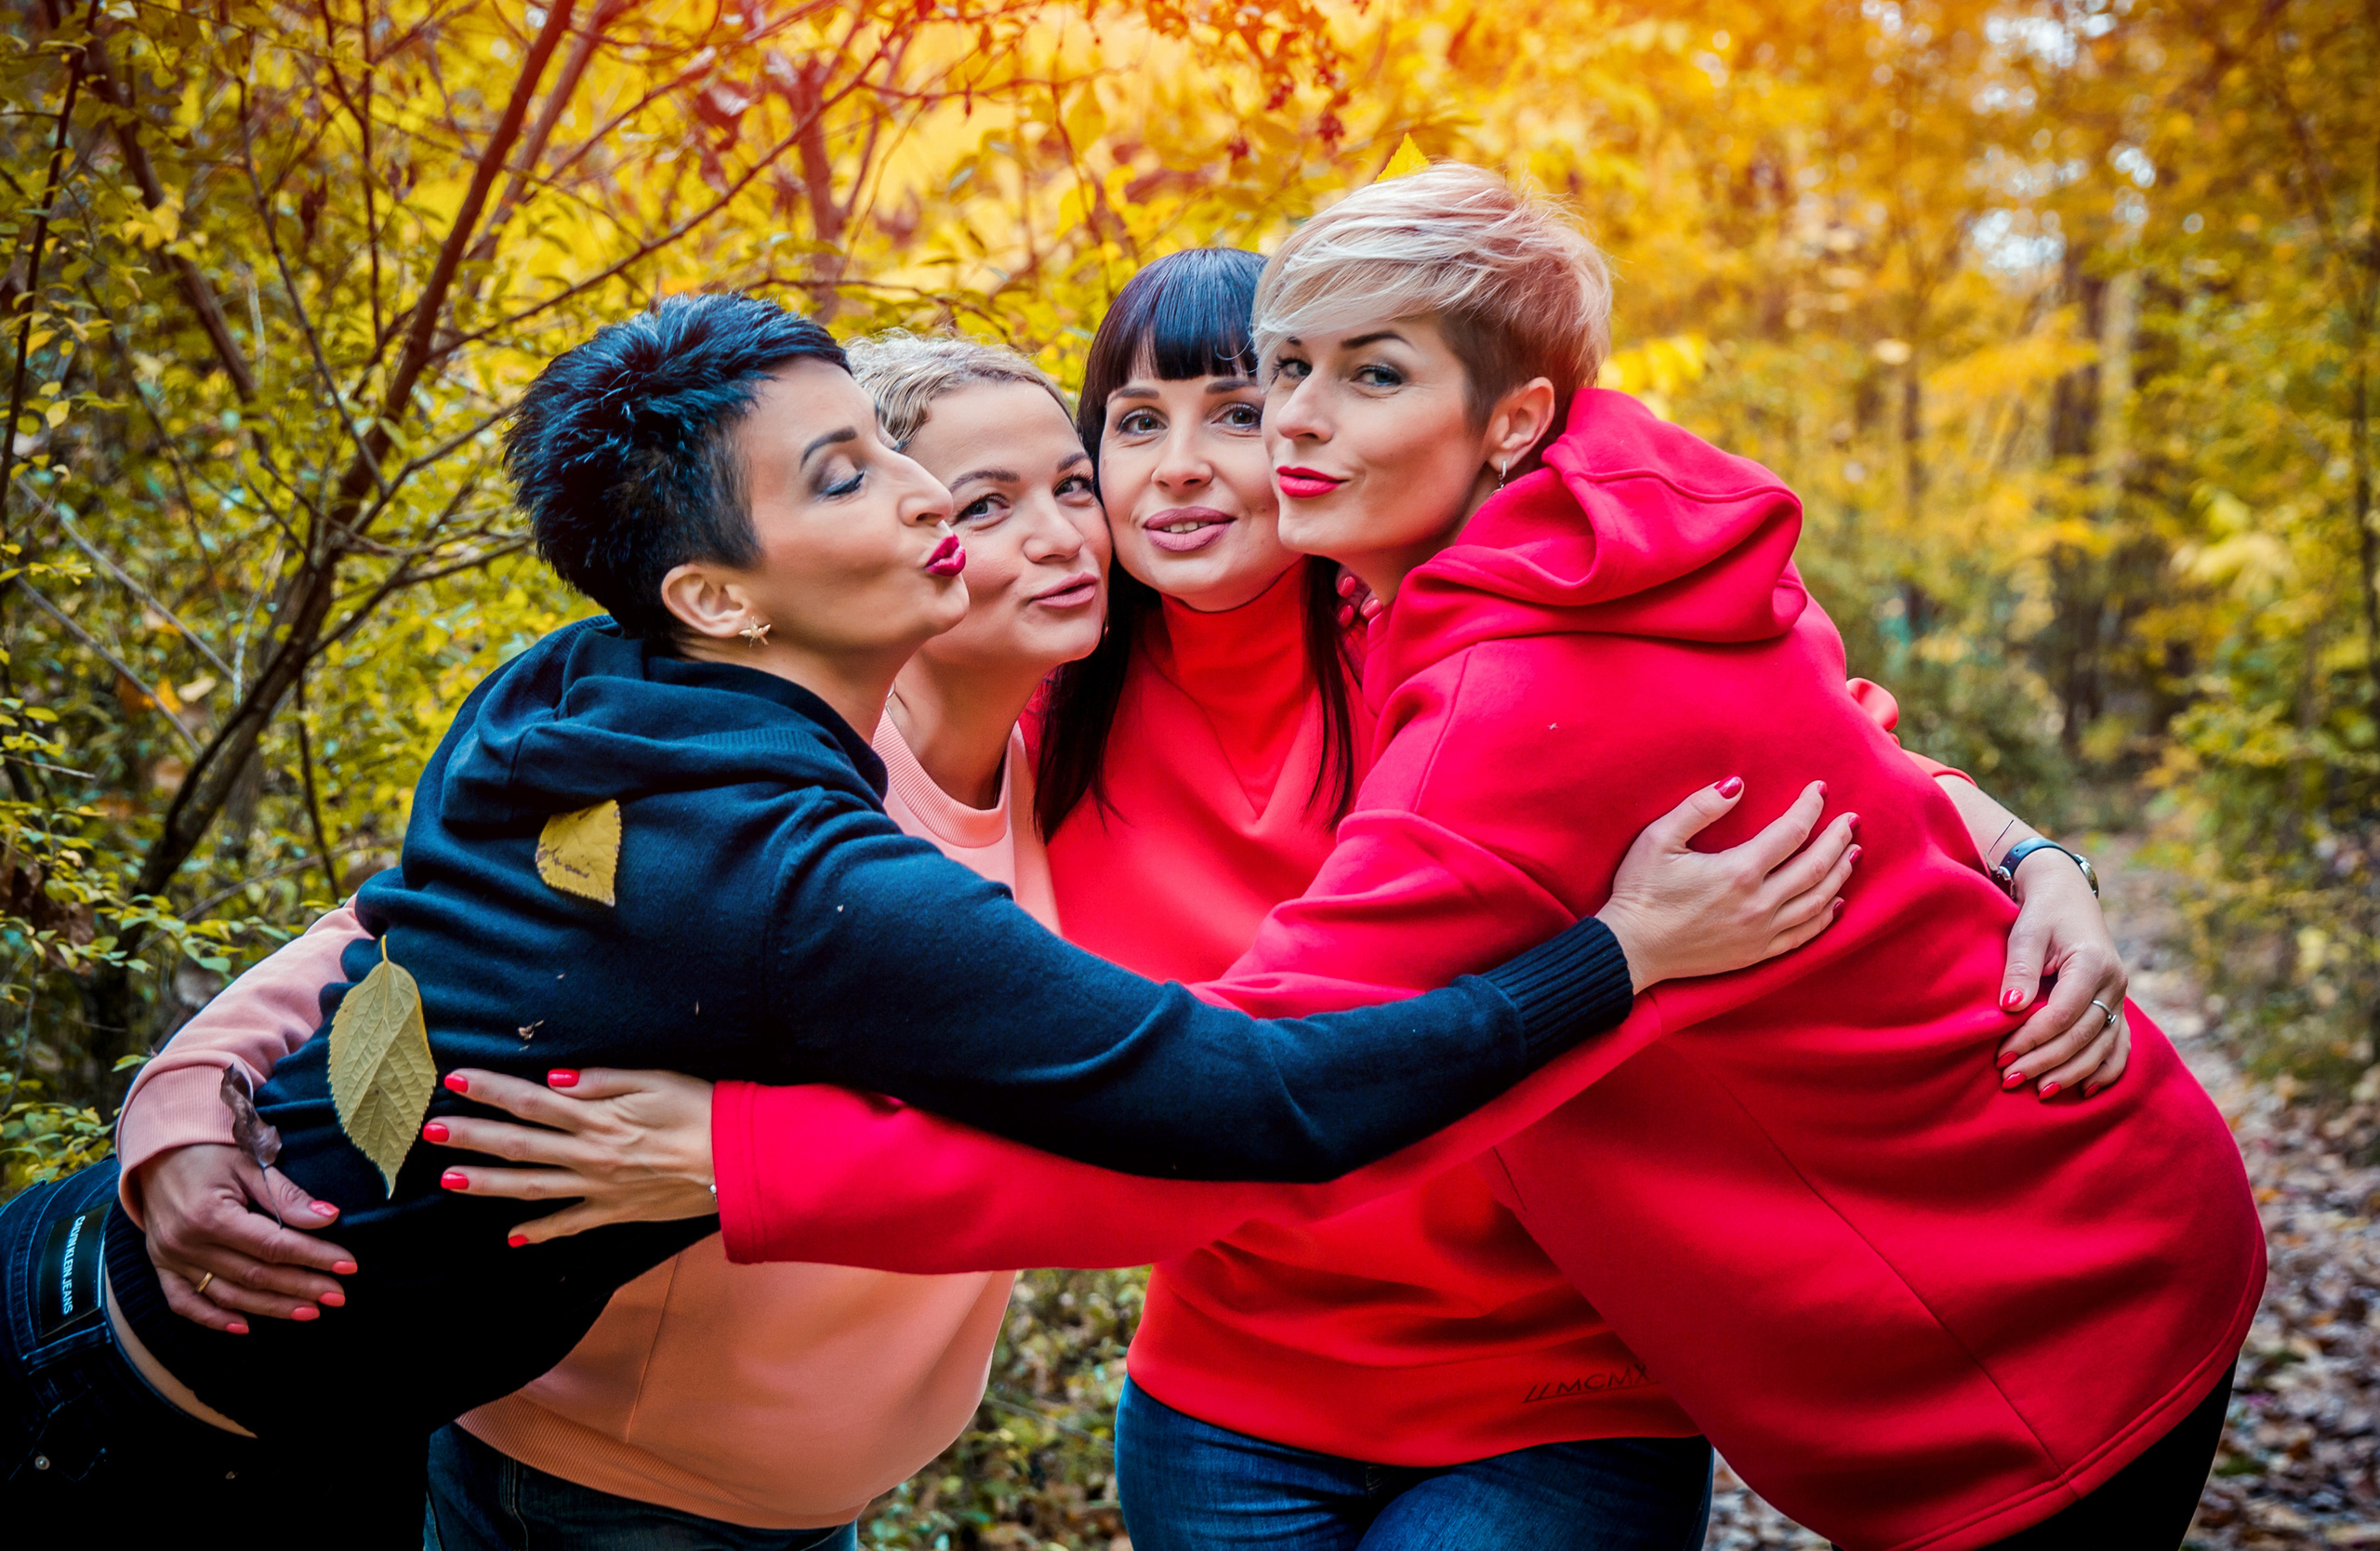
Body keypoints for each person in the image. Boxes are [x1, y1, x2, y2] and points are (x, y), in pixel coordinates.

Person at [455, 170, 2257, 1551]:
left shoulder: (1432, 656)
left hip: (1561, 1373)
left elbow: (1834, 738)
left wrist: (2041, 853)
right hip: (1231, 1380)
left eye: (1267, 397)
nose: (1213, 453)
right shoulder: (1051, 697)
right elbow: (610, 816)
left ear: (1499, 422)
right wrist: (218, 1102)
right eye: (1133, 423)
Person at [0, 292, 1854, 1540]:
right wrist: (1616, 961)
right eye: (930, 488)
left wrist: (2022, 865)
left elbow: (1676, 690)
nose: (1017, 527)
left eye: (1064, 479)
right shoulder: (781, 843)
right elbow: (1250, 1102)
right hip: (437, 1442)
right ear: (719, 596)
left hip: (696, 1467)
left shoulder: (1022, 734)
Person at [110, 335, 1109, 1548]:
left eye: (1074, 485)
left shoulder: (1060, 761)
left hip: (812, 1493)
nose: (1060, 534)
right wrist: (178, 1102)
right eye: (983, 503)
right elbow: (398, 927)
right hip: (611, 1480)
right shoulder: (749, 791)